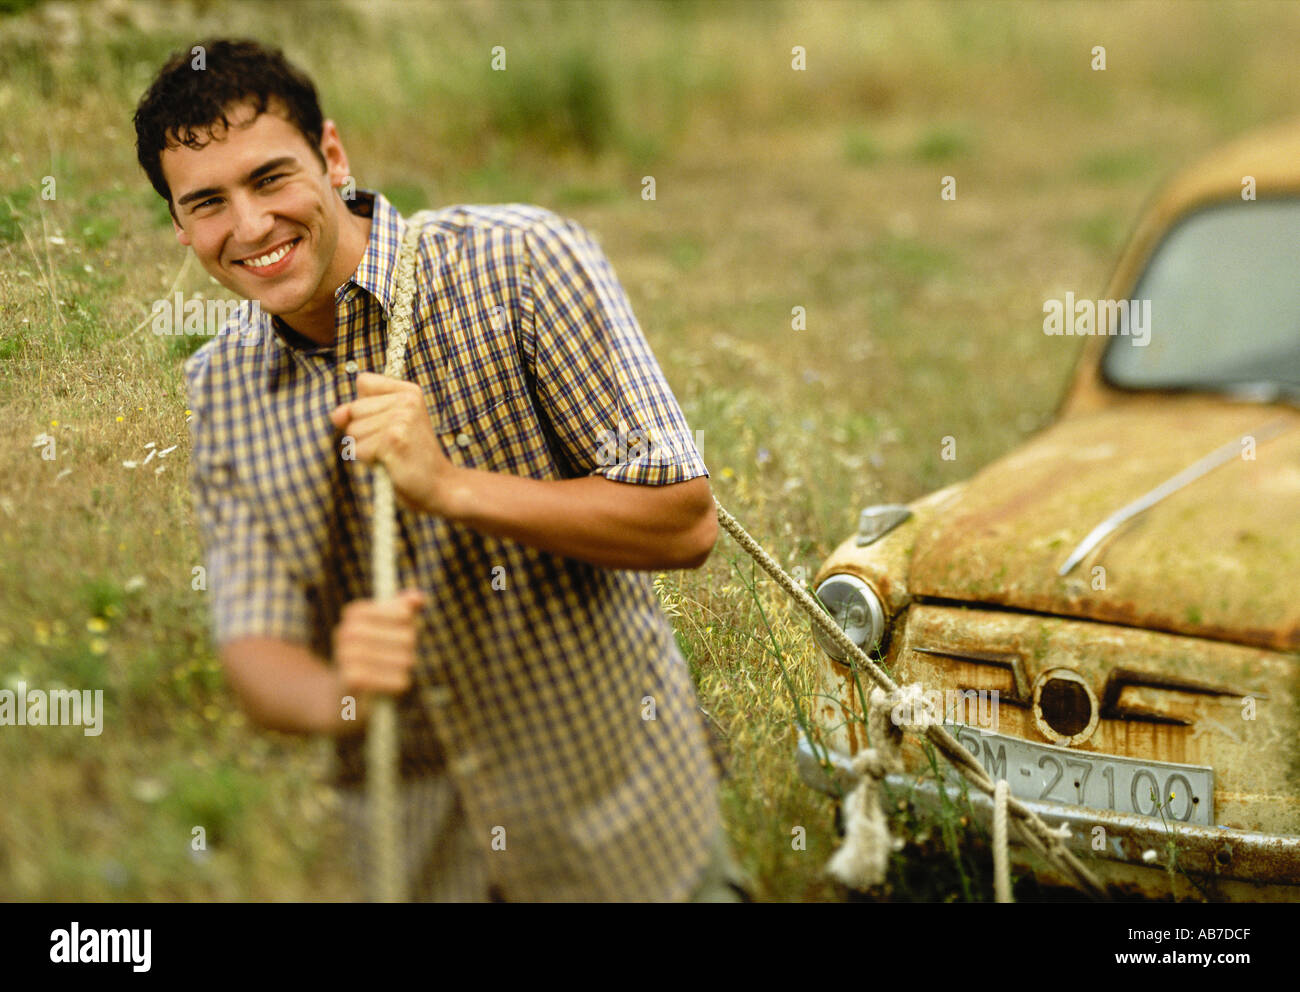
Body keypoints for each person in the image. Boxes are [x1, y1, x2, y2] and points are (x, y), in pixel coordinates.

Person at [133, 38, 744, 902]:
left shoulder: (521, 261)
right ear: (181, 225)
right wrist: (337, 693)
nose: (249, 227)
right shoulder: (221, 387)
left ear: (332, 157)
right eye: (207, 203)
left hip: (623, 840)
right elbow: (254, 649)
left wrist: (450, 486)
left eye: (271, 179)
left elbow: (685, 523)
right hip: (418, 860)